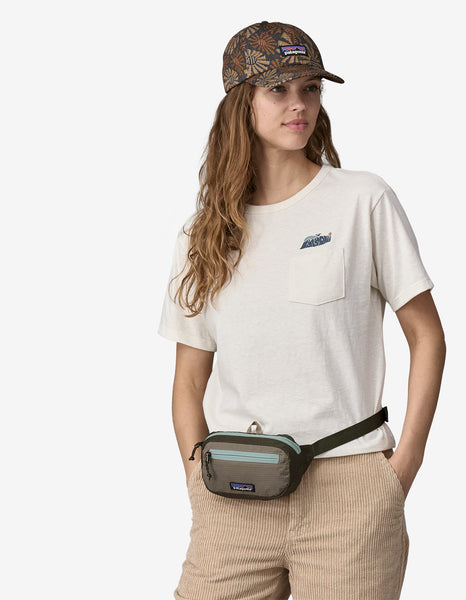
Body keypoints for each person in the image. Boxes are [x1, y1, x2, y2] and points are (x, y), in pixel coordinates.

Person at [158, 20, 446, 600]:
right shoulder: (203, 233)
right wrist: (196, 477)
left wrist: (400, 469)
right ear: (241, 103)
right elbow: (189, 377)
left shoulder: (362, 200)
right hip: (232, 491)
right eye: (279, 89)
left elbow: (427, 337)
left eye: (310, 88)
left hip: (348, 489)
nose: (300, 104)